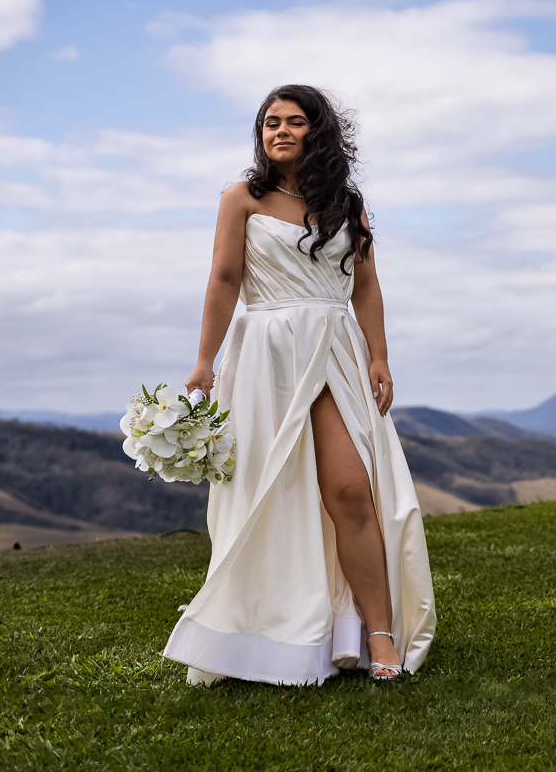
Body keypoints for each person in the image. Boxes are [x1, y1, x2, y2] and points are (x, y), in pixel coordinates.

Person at [162, 84, 435, 685]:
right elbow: (224, 280)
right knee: (270, 496)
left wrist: (380, 356)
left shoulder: (346, 203)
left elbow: (366, 284)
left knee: (351, 492)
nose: (279, 130)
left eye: (293, 121)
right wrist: (204, 363)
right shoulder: (242, 198)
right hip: (265, 356)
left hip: (336, 350)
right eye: (269, 122)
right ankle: (265, 639)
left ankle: (378, 637)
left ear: (319, 131)